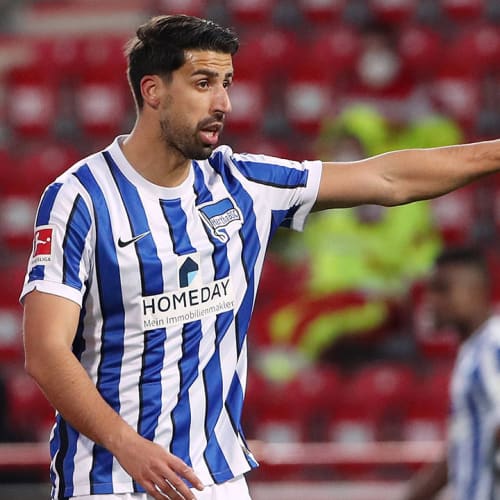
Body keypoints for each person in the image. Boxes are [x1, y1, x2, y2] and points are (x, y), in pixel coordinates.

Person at [20, 14, 500, 500]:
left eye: (226, 84)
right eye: (203, 84)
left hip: (217, 482)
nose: (223, 103)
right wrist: (127, 444)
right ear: (153, 91)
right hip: (109, 482)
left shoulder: (243, 185)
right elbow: (45, 352)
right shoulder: (80, 199)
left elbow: (387, 179)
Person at [403, 247, 500, 500]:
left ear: (476, 291)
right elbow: (465, 444)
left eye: (443, 289)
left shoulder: (492, 348)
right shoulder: (473, 352)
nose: (431, 300)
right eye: (430, 290)